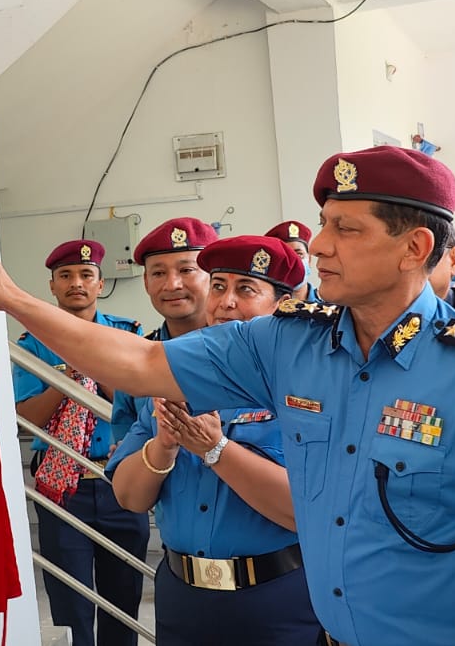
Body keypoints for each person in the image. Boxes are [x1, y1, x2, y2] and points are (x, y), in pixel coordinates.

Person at [0, 145, 455, 646]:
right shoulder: (286, 344)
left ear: (414, 248)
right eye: (324, 224)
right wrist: (10, 298)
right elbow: (140, 362)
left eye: (347, 229)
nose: (321, 245)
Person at [108, 235, 319, 645]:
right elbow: (129, 499)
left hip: (276, 597)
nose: (226, 302)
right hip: (183, 599)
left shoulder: (305, 390)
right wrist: (163, 445)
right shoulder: (173, 377)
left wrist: (215, 449)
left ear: (283, 303)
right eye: (218, 286)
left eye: (246, 289)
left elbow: (303, 510)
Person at [11, 239, 148, 646]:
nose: (76, 283)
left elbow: (139, 402)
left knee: (123, 597)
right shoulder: (32, 344)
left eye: (86, 275)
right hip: (61, 487)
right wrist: (67, 378)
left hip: (119, 483)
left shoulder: (127, 335)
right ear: (52, 286)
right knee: (71, 602)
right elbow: (27, 417)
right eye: (65, 276)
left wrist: (95, 361)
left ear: (100, 284)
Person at [108, 216, 217, 446]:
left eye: (186, 270)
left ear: (212, 276)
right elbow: (124, 442)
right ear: (146, 282)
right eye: (158, 274)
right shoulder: (134, 358)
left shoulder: (242, 351)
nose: (172, 285)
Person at [266, 220, 317, 302]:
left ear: (309, 259)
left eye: (299, 254)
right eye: (285, 256)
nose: (294, 262)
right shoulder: (262, 309)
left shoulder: (331, 305)